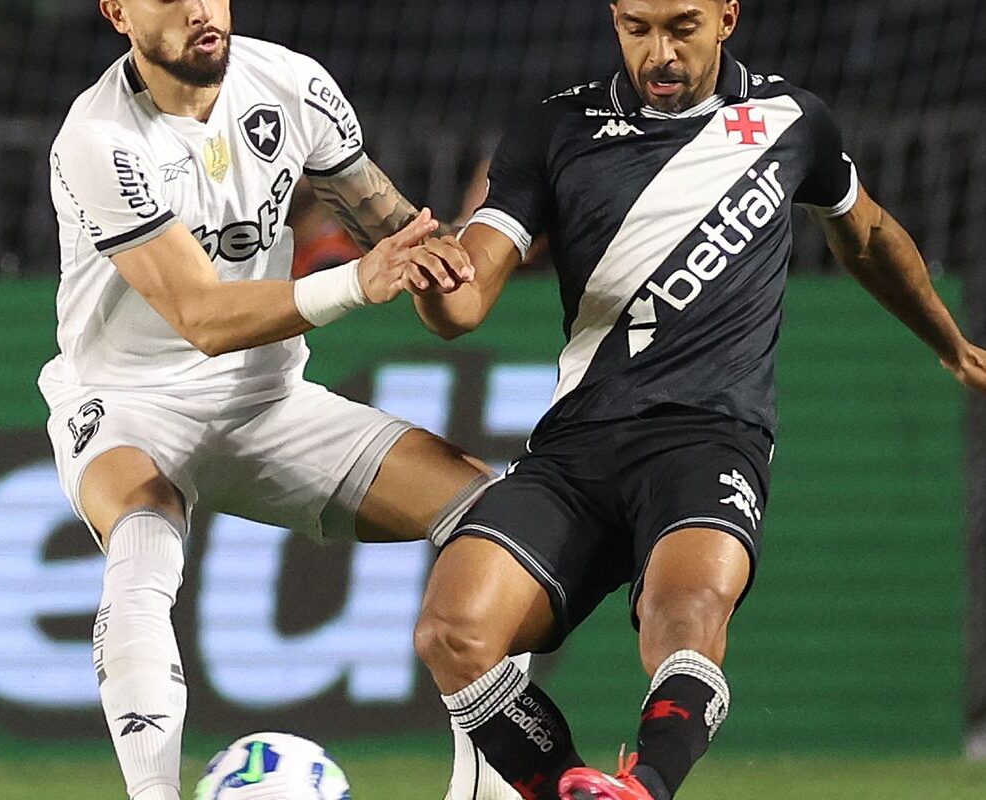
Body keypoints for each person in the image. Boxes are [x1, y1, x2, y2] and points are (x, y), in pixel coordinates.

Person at [402, 2, 986, 799]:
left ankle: (645, 787)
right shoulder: (555, 128)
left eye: (682, 26)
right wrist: (440, 284)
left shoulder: (790, 121)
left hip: (709, 439)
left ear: (727, 16)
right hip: (576, 449)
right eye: (637, 27)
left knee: (682, 616)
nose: (659, 52)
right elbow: (465, 304)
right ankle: (567, 787)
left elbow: (870, 235)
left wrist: (948, 342)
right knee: (452, 631)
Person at [38, 2, 524, 799]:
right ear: (118, 12)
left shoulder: (291, 86)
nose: (202, 10)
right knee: (141, 541)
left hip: (268, 400)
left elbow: (397, 230)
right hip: (129, 403)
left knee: (503, 522)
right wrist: (358, 284)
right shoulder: (99, 138)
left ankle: (486, 791)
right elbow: (200, 317)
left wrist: (453, 266)